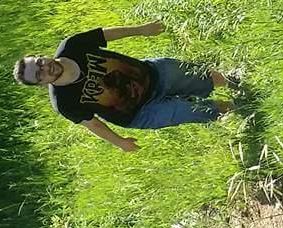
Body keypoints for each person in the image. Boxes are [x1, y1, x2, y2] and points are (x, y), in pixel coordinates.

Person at [14, 21, 233, 151]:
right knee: (194, 112)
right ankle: (239, 106)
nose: (45, 68)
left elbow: (106, 34)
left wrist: (141, 29)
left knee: (200, 76)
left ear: (40, 56)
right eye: (39, 74)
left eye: (40, 63)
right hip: (141, 114)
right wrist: (120, 142)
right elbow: (93, 124)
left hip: (152, 74)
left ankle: (237, 83)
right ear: (41, 84)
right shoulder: (64, 102)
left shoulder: (72, 46)